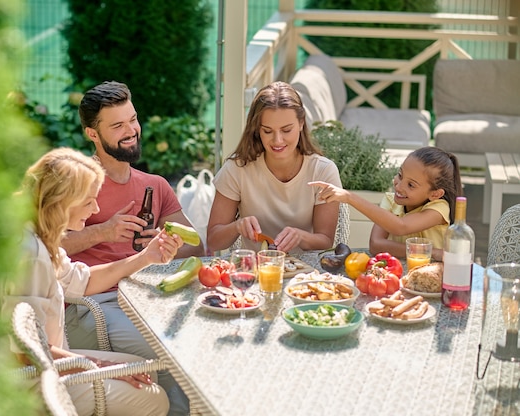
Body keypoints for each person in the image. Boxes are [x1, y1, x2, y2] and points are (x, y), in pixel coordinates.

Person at [3, 147, 182, 416]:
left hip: (56, 365)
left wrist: (147, 257)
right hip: (41, 385)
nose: (97, 209)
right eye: (89, 201)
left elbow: (81, 280)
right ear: (63, 202)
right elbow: (27, 352)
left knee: (145, 369)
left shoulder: (41, 238)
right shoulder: (31, 256)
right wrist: (95, 364)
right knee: (154, 399)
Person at [60, 81, 198, 415]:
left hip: (146, 298)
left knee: (197, 344)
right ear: (93, 134)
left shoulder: (155, 186)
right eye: (118, 125)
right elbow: (50, 242)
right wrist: (102, 232)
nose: (131, 131)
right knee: (174, 355)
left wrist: (166, 246)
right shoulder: (76, 183)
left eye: (133, 120)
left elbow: (195, 245)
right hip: (90, 306)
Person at [206, 81, 342, 254]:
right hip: (255, 273)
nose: (277, 140)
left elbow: (325, 241)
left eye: (286, 130)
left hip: (306, 275)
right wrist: (237, 226)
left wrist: (300, 236)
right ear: (257, 130)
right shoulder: (237, 169)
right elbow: (213, 241)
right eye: (268, 131)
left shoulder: (323, 170)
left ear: (301, 123)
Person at [309, 146, 463, 261]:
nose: (399, 185)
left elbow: (400, 226)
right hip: (399, 274)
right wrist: (432, 252)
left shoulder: (439, 209)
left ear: (435, 194)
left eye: (411, 185)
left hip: (435, 274)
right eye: (400, 175)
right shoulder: (391, 201)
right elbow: (376, 245)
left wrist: (349, 197)